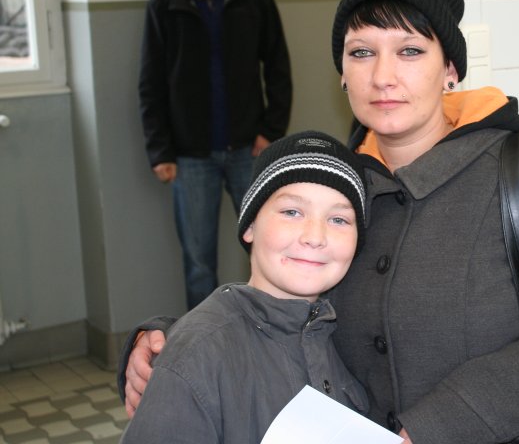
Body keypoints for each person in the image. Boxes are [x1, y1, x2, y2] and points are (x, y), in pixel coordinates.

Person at [122, 0, 519, 444]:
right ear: (341, 72)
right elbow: (280, 297)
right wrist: (174, 340)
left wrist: (445, 422)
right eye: (361, 52)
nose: (382, 77)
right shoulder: (334, 188)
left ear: (451, 69)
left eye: (410, 51)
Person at [120, 131, 370, 443]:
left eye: (339, 220)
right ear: (250, 225)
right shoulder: (198, 357)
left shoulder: (347, 334)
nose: (315, 236)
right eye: (292, 212)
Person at [139, 0, 293, 309]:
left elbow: (278, 68)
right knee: (198, 263)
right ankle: (204, 341)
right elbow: (150, 86)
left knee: (269, 248)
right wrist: (160, 151)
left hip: (249, 151)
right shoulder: (163, 6)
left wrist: (271, 132)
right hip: (190, 158)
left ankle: (270, 330)